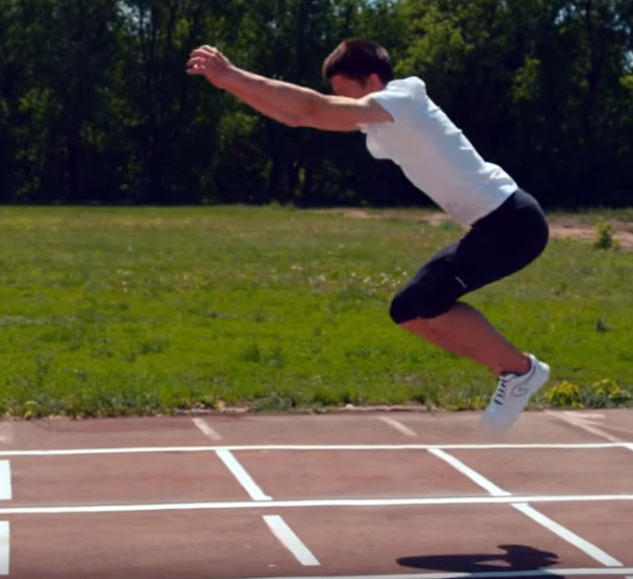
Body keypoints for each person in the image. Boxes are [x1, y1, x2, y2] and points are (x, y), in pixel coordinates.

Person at [186, 39, 550, 432]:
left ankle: (519, 371)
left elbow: (312, 108)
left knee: (426, 300)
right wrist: (228, 85)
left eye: (345, 93)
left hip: (513, 223)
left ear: (373, 81)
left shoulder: (404, 98)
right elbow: (297, 117)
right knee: (408, 310)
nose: (342, 102)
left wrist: (231, 73)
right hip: (493, 226)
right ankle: (514, 371)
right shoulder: (381, 116)